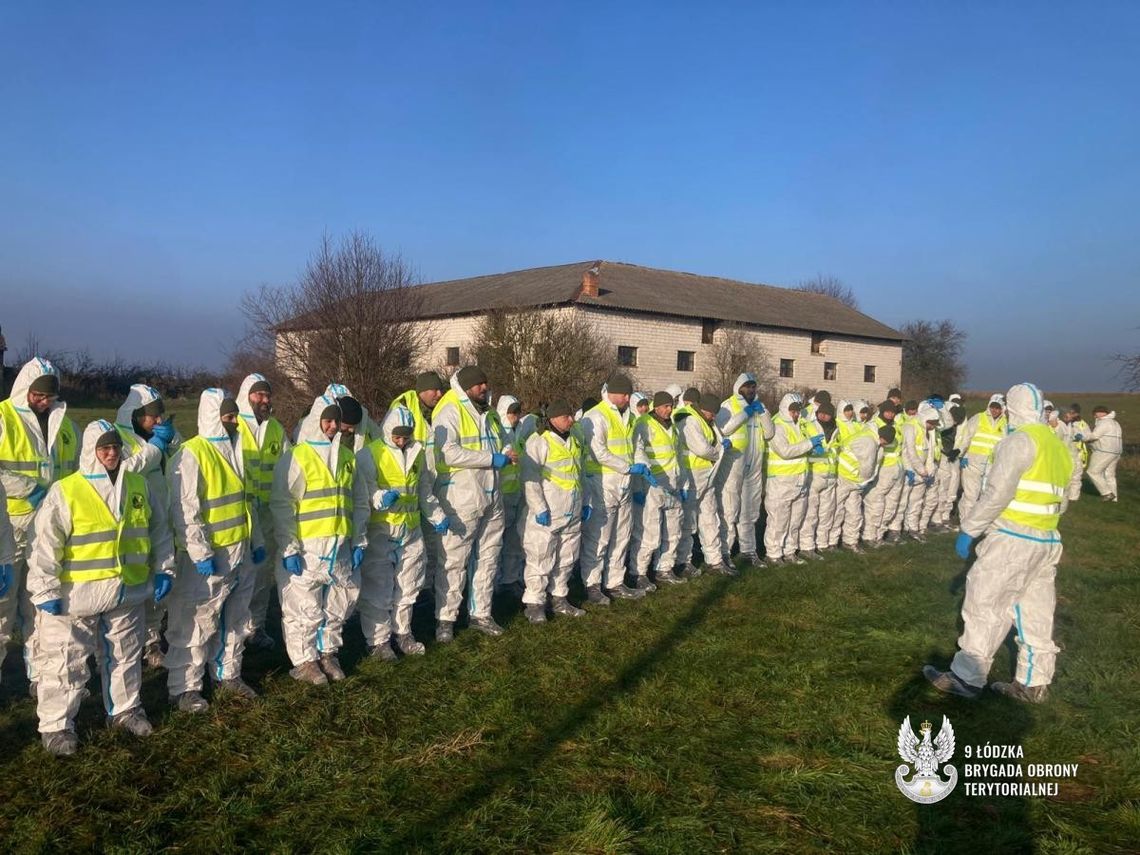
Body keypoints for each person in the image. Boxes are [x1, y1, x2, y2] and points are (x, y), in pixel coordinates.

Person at [925, 383, 1081, 703]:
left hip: (1012, 538)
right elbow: (1062, 501)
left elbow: (998, 493)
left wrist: (970, 528)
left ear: (1011, 409)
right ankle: (1033, 683)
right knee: (1034, 611)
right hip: (1047, 539)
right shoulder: (1057, 445)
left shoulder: (1019, 442)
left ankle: (967, 678)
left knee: (986, 603)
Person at [26, 421, 175, 756]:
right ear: (91, 451)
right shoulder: (67, 491)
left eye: (116, 447)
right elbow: (46, 545)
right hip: (76, 595)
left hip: (127, 590)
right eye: (104, 448)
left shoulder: (138, 484)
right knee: (66, 662)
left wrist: (164, 569)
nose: (111, 453)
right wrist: (46, 588)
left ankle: (125, 710)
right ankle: (57, 726)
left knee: (126, 654)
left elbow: (159, 530)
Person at [165, 389, 265, 712]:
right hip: (208, 557)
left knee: (235, 618)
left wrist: (258, 540)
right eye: (228, 417)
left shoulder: (237, 449)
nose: (235, 422)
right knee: (195, 621)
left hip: (240, 549)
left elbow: (246, 502)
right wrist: (199, 552)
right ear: (213, 418)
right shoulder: (192, 454)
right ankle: (185, 688)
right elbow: (185, 509)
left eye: (236, 416)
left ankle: (228, 674)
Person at [0, 357, 79, 694]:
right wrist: (30, 489)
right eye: (38, 395)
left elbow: (76, 473)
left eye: (49, 396)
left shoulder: (66, 426)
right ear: (25, 390)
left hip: (49, 529)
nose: (44, 402)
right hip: (8, 526)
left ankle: (40, 676)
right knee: (3, 606)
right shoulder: (4, 418)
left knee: (43, 605)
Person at [271, 396, 359, 685]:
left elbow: (356, 502)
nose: (333, 426)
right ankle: (304, 660)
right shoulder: (297, 456)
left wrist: (359, 540)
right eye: (327, 420)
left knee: (339, 602)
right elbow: (284, 504)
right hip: (308, 548)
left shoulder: (346, 457)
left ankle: (327, 652)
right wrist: (289, 547)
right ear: (315, 420)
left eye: (336, 421)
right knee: (303, 607)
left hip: (339, 545)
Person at [353, 410, 447, 659]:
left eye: (406, 436)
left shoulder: (417, 454)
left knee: (410, 583)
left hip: (410, 529)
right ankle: (378, 641)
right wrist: (380, 497)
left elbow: (424, 490)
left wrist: (437, 516)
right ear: (387, 431)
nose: (402, 441)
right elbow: (364, 493)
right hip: (381, 531)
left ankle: (403, 632)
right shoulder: (369, 454)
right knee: (379, 587)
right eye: (397, 436)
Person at [432, 366, 514, 640]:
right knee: (454, 561)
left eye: (485, 382)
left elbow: (496, 444)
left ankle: (481, 613)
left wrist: (504, 452)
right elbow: (449, 453)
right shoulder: (451, 411)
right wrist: (491, 459)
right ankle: (446, 619)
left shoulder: (488, 415)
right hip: (462, 498)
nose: (484, 387)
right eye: (479, 384)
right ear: (467, 386)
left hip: (492, 496)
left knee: (488, 558)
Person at [113, 384, 180, 669]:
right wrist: (155, 448)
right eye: (153, 417)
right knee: (138, 585)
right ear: (136, 415)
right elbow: (123, 472)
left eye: (161, 416)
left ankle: (152, 640)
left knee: (160, 585)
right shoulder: (120, 439)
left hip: (163, 519)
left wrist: (173, 440)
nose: (158, 422)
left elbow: (185, 456)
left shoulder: (161, 436)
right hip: (134, 525)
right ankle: (131, 644)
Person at [579, 374, 649, 604]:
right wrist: (628, 467)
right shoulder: (595, 416)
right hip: (602, 484)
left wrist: (642, 464)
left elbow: (635, 446)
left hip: (625, 485)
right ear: (611, 394)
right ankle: (592, 584)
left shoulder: (629, 417)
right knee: (599, 538)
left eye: (629, 394)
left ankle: (615, 582)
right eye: (623, 394)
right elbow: (598, 452)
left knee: (622, 536)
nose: (627, 398)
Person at [519, 400, 589, 622]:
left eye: (571, 416)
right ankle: (535, 603)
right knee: (541, 556)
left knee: (567, 557)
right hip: (549, 511)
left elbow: (580, 473)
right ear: (553, 419)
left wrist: (585, 501)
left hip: (572, 509)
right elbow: (530, 478)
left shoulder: (574, 440)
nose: (571, 420)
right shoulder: (539, 442)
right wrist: (538, 507)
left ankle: (559, 598)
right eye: (566, 416)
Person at [233, 373, 289, 653]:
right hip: (239, 513)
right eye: (259, 395)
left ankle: (256, 627)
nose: (265, 400)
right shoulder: (234, 425)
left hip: (267, 513)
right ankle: (234, 629)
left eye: (267, 395)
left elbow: (288, 467)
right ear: (247, 396)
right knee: (240, 575)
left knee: (263, 574)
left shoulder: (276, 429)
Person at [384, 372, 447, 593]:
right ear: (422, 390)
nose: (439, 394)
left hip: (430, 483)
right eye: (434, 390)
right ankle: (400, 594)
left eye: (441, 390)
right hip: (408, 486)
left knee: (427, 548)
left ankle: (424, 591)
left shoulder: (438, 410)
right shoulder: (404, 406)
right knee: (403, 553)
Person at [716, 373, 775, 567]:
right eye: (747, 386)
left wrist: (763, 412)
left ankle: (748, 551)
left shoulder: (760, 408)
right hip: (734, 464)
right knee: (730, 508)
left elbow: (769, 433)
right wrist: (746, 413)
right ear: (739, 387)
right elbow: (724, 429)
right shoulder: (728, 405)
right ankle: (724, 553)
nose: (750, 390)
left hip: (754, 466)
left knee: (750, 511)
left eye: (753, 387)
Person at [630, 391, 687, 588]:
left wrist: (682, 484)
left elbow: (678, 456)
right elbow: (636, 454)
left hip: (672, 484)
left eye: (671, 406)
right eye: (665, 406)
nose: (669, 410)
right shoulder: (644, 424)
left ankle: (664, 568)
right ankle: (639, 573)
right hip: (652, 486)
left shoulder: (672, 427)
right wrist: (637, 487)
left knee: (673, 530)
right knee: (649, 532)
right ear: (656, 407)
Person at [675, 392, 734, 575]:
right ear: (703, 409)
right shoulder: (689, 420)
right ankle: (682, 561)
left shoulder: (707, 420)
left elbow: (713, 441)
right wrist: (720, 450)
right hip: (691, 476)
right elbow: (701, 449)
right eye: (711, 413)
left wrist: (720, 444)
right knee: (687, 523)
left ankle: (715, 561)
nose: (714, 417)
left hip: (707, 476)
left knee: (710, 519)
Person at [764, 394, 818, 565]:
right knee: (779, 520)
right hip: (781, 481)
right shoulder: (777, 426)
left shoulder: (799, 425)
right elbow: (785, 451)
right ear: (785, 408)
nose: (795, 414)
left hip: (799, 479)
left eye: (797, 411)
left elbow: (798, 449)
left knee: (795, 519)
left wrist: (812, 449)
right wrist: (810, 444)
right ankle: (773, 554)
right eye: (792, 411)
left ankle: (789, 551)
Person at [831, 411, 882, 553]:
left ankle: (850, 541)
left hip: (853, 480)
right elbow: (867, 466)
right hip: (845, 477)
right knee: (836, 509)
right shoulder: (869, 442)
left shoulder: (870, 437)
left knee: (854, 512)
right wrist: (865, 481)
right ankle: (830, 542)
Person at [495, 394, 527, 597]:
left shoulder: (519, 433)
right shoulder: (498, 433)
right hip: (500, 495)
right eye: (511, 412)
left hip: (516, 493)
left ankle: (510, 579)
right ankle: (495, 581)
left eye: (517, 412)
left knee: (513, 541)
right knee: (496, 542)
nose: (514, 416)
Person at [956, 394, 1007, 523]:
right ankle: (965, 523)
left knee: (986, 496)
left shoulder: (1005, 423)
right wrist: (962, 455)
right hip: (972, 462)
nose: (994, 410)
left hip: (992, 465)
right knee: (971, 495)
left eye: (998, 408)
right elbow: (966, 437)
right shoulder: (978, 418)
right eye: (992, 407)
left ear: (1002, 408)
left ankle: (980, 523)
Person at [797, 401, 838, 560]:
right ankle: (807, 546)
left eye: (827, 413)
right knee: (811, 513)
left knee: (827, 513)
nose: (823, 415)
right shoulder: (810, 425)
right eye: (821, 412)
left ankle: (822, 543)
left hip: (830, 475)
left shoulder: (836, 429)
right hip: (814, 475)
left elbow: (836, 449)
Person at [864, 401, 904, 546]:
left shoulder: (896, 425)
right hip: (882, 470)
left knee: (891, 505)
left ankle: (879, 535)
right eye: (888, 411)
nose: (890, 414)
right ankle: (869, 536)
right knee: (876, 503)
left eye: (893, 412)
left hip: (896, 470)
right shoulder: (874, 425)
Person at [900, 402, 941, 541]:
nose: (933, 427)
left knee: (916, 502)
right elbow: (909, 451)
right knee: (902, 502)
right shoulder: (910, 426)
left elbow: (929, 452)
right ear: (926, 420)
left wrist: (928, 472)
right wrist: (913, 469)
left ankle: (911, 528)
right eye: (932, 423)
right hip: (909, 470)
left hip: (921, 472)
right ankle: (895, 530)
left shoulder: (929, 431)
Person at [1083, 405, 1122, 501]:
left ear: (1100, 412)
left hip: (1104, 451)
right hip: (1116, 452)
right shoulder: (1115, 423)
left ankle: (1107, 493)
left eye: (1095, 414)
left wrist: (1083, 437)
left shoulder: (1104, 422)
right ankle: (1114, 498)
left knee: (1092, 472)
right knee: (1110, 475)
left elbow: (1095, 436)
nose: (1095, 417)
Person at [1063, 404, 1091, 499]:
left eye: (1072, 413)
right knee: (1064, 475)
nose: (1070, 415)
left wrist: (1081, 436)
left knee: (1076, 476)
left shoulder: (1082, 424)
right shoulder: (1062, 423)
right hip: (1064, 453)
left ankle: (1073, 497)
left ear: (1077, 413)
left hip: (1078, 453)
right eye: (1069, 412)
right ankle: (1062, 495)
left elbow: (1088, 436)